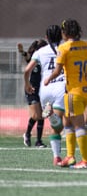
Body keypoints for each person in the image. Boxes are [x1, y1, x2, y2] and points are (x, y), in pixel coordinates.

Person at [44, 19, 87, 169]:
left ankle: (86, 160)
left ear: (64, 32)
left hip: (75, 92)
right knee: (67, 122)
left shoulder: (64, 48)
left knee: (78, 125)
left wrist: (48, 79)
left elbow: (57, 70)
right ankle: (70, 156)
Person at [24, 25, 66, 165]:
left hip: (45, 90)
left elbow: (27, 70)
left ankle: (56, 156)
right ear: (61, 36)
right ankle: (58, 156)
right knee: (59, 127)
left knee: (56, 124)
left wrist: (27, 85)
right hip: (61, 87)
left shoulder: (40, 51)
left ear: (47, 37)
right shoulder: (65, 49)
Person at [19, 39, 48, 148]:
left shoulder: (45, 59)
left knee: (41, 116)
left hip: (42, 90)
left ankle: (38, 141)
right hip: (31, 89)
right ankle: (27, 134)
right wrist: (22, 52)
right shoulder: (33, 59)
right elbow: (26, 56)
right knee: (37, 115)